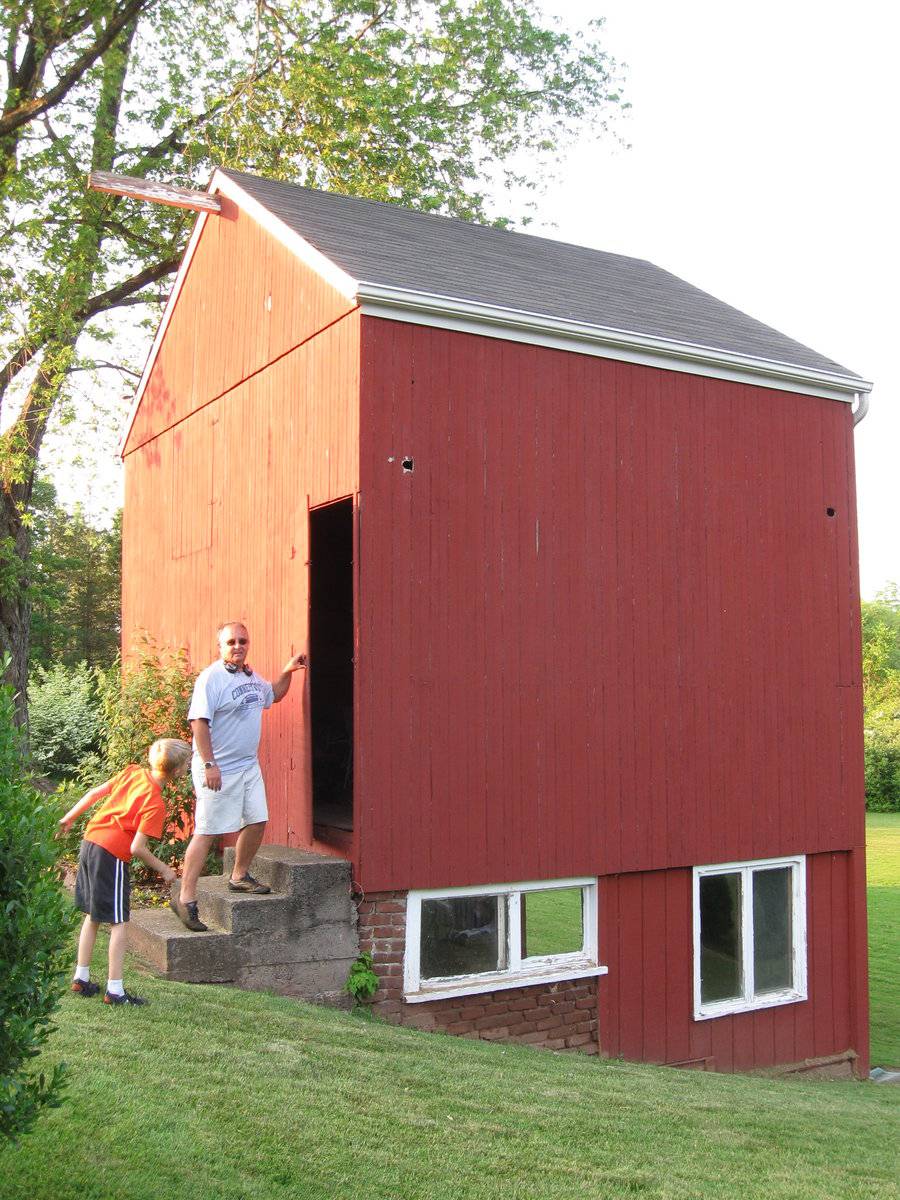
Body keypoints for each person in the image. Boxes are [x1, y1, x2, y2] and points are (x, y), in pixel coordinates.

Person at [170, 621, 306, 932]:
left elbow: (273, 695)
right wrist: (209, 764)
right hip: (218, 767)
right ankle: (186, 898)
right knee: (207, 832)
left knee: (257, 820)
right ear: (220, 646)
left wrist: (287, 672)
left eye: (242, 640)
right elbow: (198, 723)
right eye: (231, 641)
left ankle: (239, 876)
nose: (237, 646)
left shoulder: (250, 676)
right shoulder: (211, 679)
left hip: (247, 766)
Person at [59, 738, 192, 1006]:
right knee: (119, 921)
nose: (189, 767)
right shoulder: (155, 804)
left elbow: (95, 793)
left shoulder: (133, 773)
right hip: (112, 855)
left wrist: (70, 817)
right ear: (177, 772)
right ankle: (115, 991)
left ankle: (81, 978)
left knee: (92, 915)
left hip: (90, 842)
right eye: (187, 763)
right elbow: (137, 848)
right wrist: (165, 869)